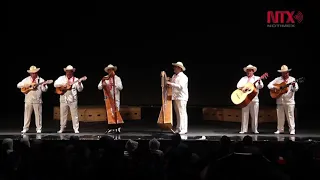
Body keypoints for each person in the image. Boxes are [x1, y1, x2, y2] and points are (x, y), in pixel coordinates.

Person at [268, 65, 298, 135]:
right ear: (281, 73)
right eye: (283, 73)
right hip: (280, 101)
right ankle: (280, 129)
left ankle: (292, 130)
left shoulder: (292, 79)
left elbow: (295, 89)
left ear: (288, 72)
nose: (285, 74)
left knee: (290, 116)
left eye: (286, 72)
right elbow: (269, 85)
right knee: (280, 116)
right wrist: (276, 88)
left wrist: (293, 85)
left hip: (289, 101)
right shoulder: (278, 79)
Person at [17, 66, 48, 133]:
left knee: (38, 115)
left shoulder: (41, 80)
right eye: (32, 73)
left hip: (37, 100)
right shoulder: (26, 79)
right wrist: (28, 85)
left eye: (35, 73)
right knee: (27, 114)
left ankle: (39, 128)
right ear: (30, 73)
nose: (33, 74)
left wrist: (44, 85)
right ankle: (25, 128)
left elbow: (44, 90)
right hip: (28, 100)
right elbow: (18, 85)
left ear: (37, 73)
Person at [54, 65, 84, 133]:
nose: (69, 73)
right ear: (66, 72)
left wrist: (79, 84)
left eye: (70, 72)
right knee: (63, 114)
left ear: (72, 72)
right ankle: (62, 128)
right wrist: (64, 84)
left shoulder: (76, 80)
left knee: (74, 114)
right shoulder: (61, 78)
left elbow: (80, 89)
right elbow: (55, 84)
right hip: (63, 99)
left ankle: (76, 129)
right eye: (67, 72)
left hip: (73, 99)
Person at [237, 64, 264, 134]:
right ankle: (243, 129)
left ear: (253, 71)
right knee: (244, 114)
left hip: (254, 99)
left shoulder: (257, 78)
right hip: (245, 99)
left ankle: (255, 129)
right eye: (247, 71)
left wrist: (258, 83)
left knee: (255, 115)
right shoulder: (243, 78)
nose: (248, 72)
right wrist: (244, 87)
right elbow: (238, 85)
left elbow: (261, 86)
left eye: (250, 71)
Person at [98, 64, 123, 133]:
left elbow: (121, 88)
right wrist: (103, 85)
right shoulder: (105, 78)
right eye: (109, 70)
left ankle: (118, 128)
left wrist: (114, 84)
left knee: (116, 113)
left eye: (111, 70)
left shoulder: (117, 78)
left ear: (113, 71)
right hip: (108, 99)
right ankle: (111, 128)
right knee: (109, 113)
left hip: (116, 98)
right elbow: (99, 87)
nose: (110, 71)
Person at [166, 62, 188, 134]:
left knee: (182, 113)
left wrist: (170, 84)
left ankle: (184, 129)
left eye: (175, 67)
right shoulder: (174, 76)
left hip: (181, 97)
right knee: (178, 113)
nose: (174, 68)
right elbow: (171, 84)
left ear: (179, 68)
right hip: (175, 97)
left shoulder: (184, 77)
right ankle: (178, 128)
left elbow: (180, 86)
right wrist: (168, 80)